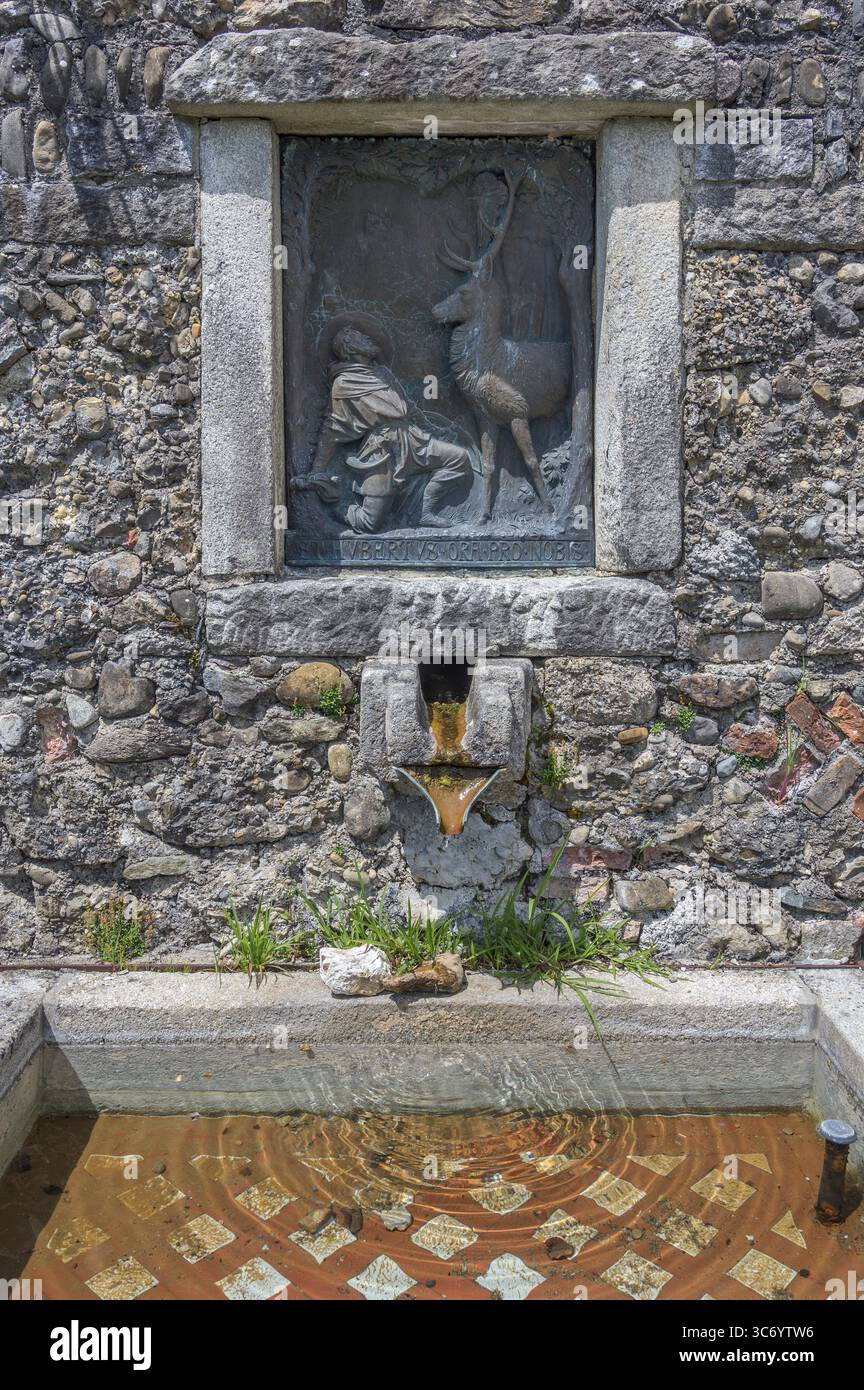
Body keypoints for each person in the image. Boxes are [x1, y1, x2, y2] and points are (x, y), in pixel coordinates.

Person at [291, 324, 472, 533]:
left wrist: (434, 429)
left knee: (459, 459)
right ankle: (335, 505)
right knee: (370, 524)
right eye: (361, 337)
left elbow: (409, 408)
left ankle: (424, 511)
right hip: (381, 449)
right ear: (349, 348)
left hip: (412, 440)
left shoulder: (383, 373)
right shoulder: (343, 384)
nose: (369, 339)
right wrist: (317, 470)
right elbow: (331, 429)